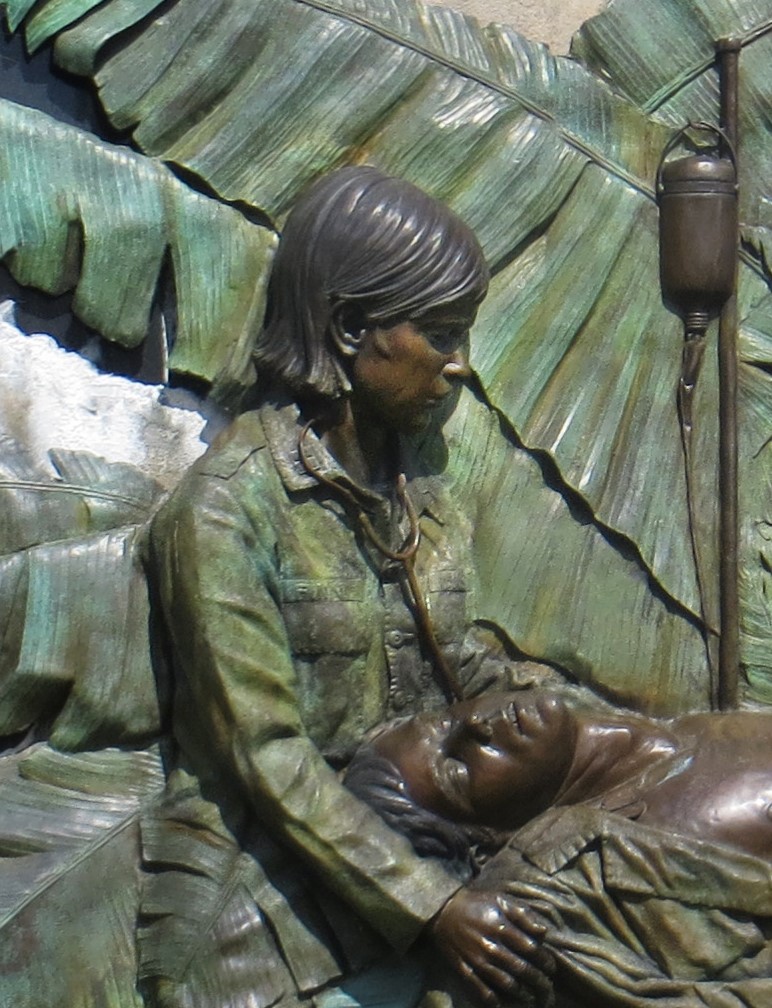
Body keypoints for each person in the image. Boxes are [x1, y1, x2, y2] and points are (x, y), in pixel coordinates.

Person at [145, 166, 556, 1008]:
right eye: (439, 334)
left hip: (435, 842)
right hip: (272, 901)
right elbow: (267, 755)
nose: (459, 366)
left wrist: (589, 725)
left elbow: (457, 663)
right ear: (350, 329)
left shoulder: (422, 488)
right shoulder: (226, 511)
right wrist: (432, 907)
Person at [346, 690, 772, 1006]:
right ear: (487, 841)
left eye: (443, 721)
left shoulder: (649, 726)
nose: (474, 723)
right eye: (456, 771)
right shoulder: (675, 831)